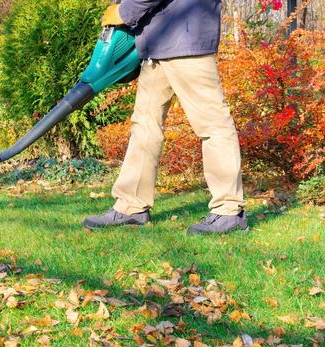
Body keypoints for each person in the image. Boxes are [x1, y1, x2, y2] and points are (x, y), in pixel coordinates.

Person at [83, 0, 248, 235]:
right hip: (157, 42)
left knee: (213, 125)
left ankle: (229, 210)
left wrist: (123, 11)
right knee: (144, 126)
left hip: (186, 39)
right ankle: (131, 205)